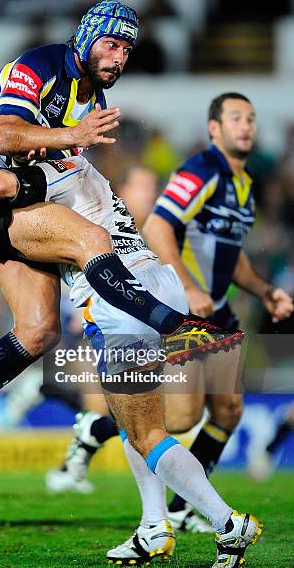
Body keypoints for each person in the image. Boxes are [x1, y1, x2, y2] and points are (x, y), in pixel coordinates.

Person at [0, 150, 261, 568]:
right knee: (135, 422)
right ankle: (153, 525)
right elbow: (17, 251)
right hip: (155, 281)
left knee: (148, 434)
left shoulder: (40, 178)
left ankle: (227, 523)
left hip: (122, 301)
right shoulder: (78, 180)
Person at [46, 93, 292, 561]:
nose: (247, 126)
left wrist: (261, 291)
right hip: (181, 304)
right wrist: (186, 287)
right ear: (214, 128)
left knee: (223, 412)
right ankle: (117, 455)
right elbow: (160, 225)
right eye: (235, 118)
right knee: (170, 420)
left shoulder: (240, 184)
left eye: (252, 118)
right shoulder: (200, 170)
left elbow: (227, 252)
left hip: (206, 308)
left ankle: (181, 514)